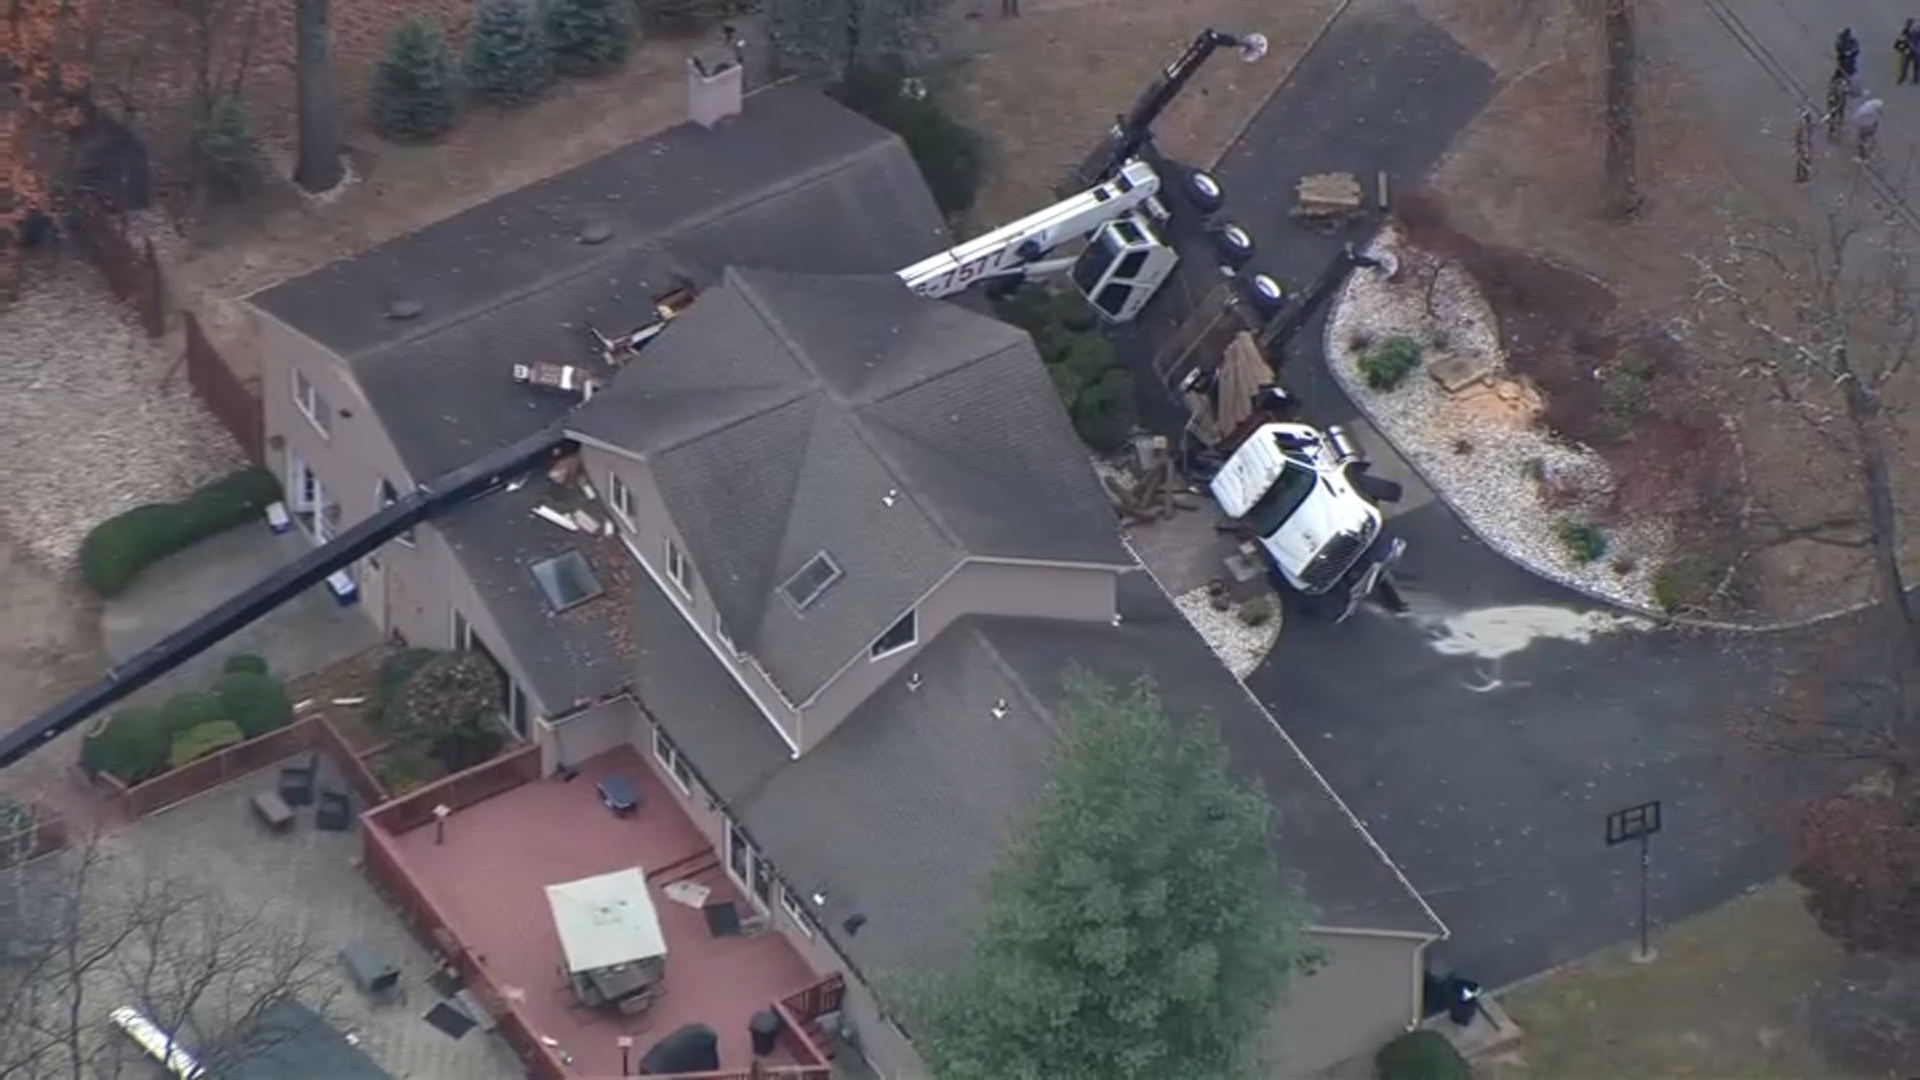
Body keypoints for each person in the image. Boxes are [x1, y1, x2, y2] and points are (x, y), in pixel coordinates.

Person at [1853, 94, 1885, 161]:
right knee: (1868, 139)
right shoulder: (1873, 108)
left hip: (1865, 126)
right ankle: (1869, 153)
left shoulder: (1863, 110)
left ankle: (1863, 156)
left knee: (1862, 140)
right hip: (1870, 126)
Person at [1899, 19, 1919, 84]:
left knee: (1913, 65)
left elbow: (1902, 39)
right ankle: (1905, 78)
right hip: (1912, 49)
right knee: (1908, 64)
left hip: (1913, 49)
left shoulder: (1909, 30)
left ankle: (1915, 79)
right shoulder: (1907, 30)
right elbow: (1902, 39)